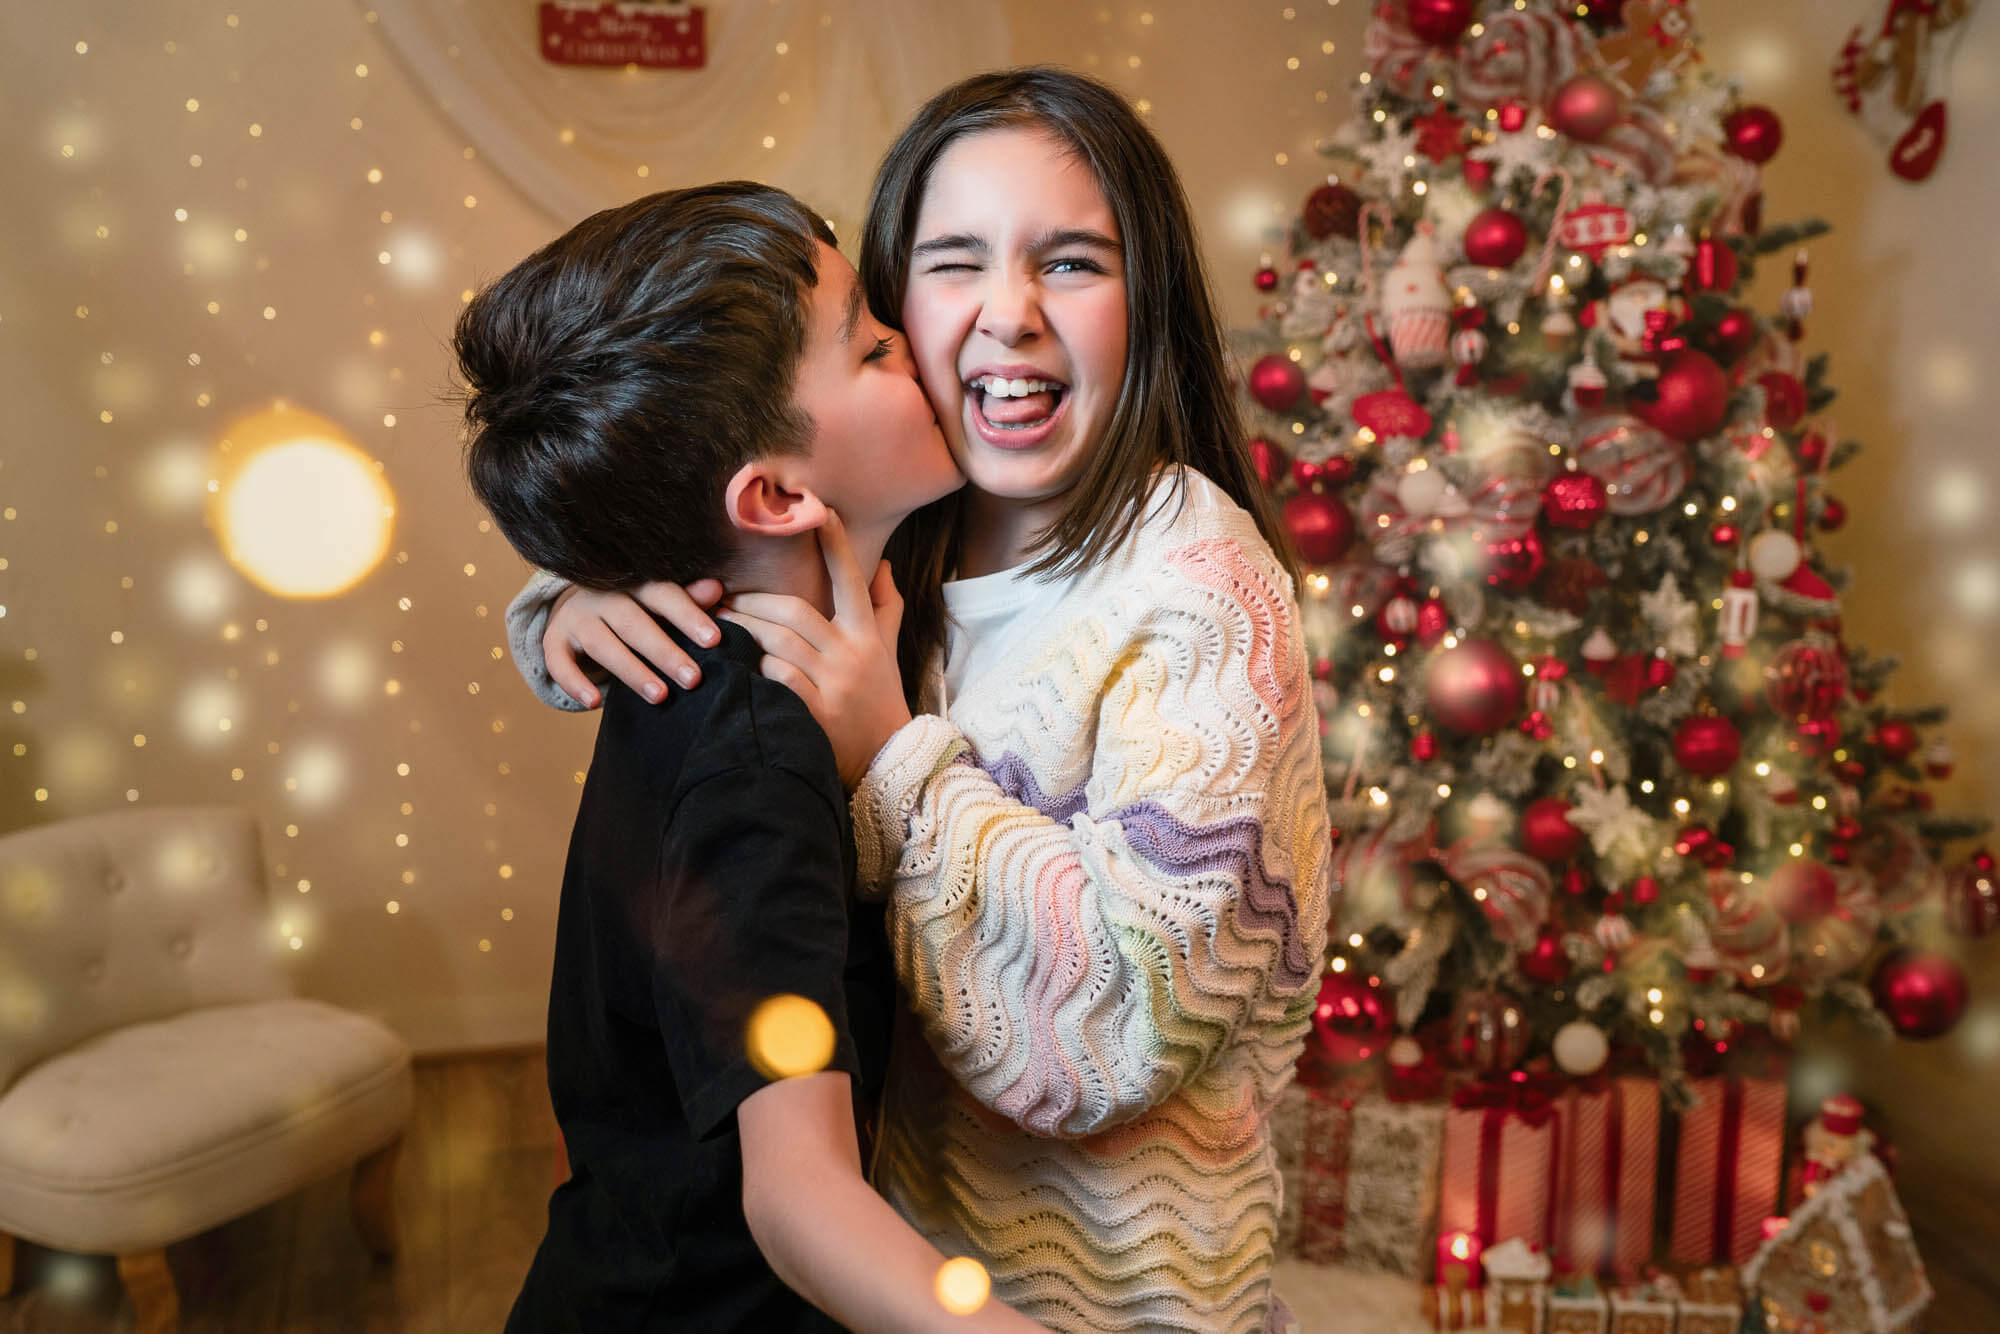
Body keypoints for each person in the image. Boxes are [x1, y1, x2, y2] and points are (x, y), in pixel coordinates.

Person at [509, 70, 1332, 1334]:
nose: (1007, 314)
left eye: (1069, 262)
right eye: (952, 265)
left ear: (1147, 297)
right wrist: (574, 598)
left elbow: (1122, 1024)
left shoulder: (1197, 587)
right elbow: (687, 465)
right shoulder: (897, 528)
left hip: (1112, 1298)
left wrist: (894, 756)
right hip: (884, 1276)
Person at [454, 181, 1045, 1334]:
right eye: (876, 347)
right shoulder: (755, 755)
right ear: (773, 493)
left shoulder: (704, 642)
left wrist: (572, 581)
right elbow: (798, 1197)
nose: (928, 346)